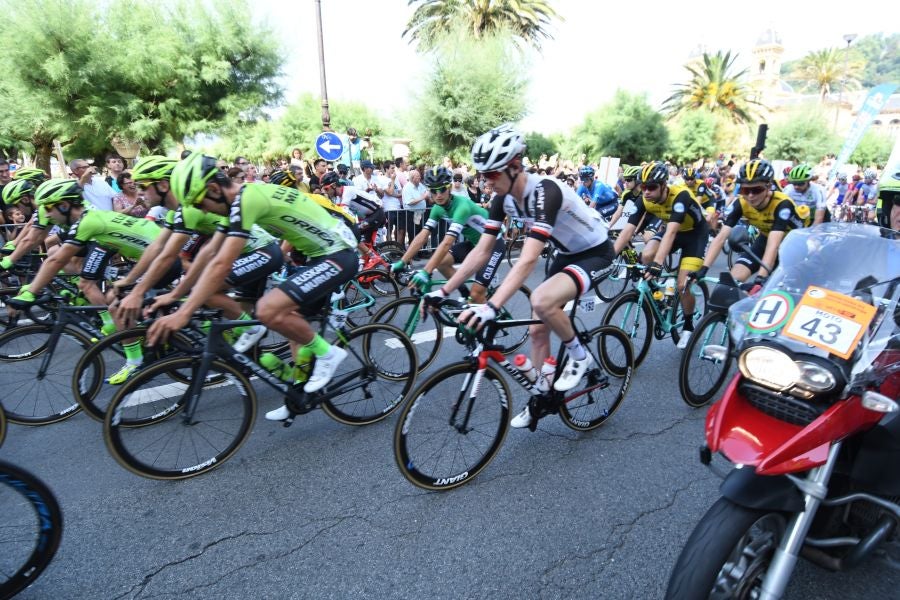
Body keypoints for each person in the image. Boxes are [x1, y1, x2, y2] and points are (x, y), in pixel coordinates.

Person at [146, 154, 359, 421]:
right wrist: (177, 295)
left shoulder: (247, 199)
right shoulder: (238, 200)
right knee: (292, 325)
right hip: (319, 256)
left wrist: (184, 311)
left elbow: (222, 263)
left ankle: (328, 354)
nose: (202, 212)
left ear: (213, 189)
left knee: (267, 309)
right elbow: (209, 253)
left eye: (200, 203)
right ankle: (299, 393)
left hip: (338, 254)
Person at [428, 124, 614, 429]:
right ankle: (540, 397)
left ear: (515, 166)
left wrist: (492, 306)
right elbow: (482, 250)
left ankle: (580, 356)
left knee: (541, 300)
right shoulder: (502, 199)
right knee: (537, 331)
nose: (486, 182)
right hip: (565, 255)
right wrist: (444, 291)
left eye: (491, 174)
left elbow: (527, 259)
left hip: (595, 252)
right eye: (482, 175)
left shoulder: (545, 191)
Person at [612, 161, 709, 348]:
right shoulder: (645, 199)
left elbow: (671, 232)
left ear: (664, 185)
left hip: (694, 235)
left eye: (652, 187)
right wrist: (610, 257)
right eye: (643, 187)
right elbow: (628, 230)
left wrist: (658, 264)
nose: (646, 192)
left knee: (683, 285)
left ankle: (688, 326)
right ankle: (659, 297)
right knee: (646, 255)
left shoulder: (680, 195)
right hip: (673, 231)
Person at [391, 166, 502, 303]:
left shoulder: (461, 207)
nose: (438, 195)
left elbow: (447, 243)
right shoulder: (437, 208)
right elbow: (422, 236)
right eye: (434, 191)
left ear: (449, 188)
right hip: (476, 244)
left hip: (494, 244)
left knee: (476, 295)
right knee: (442, 262)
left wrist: (426, 271)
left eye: (442, 189)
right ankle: (464, 293)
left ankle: (484, 311)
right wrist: (402, 261)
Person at [694, 159, 805, 285]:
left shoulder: (782, 204)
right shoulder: (741, 203)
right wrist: (703, 269)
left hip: (794, 247)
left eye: (757, 190)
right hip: (764, 239)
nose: (750, 196)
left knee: (778, 288)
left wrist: (760, 278)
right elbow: (721, 238)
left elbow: (773, 245)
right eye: (745, 190)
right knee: (730, 284)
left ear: (768, 187)